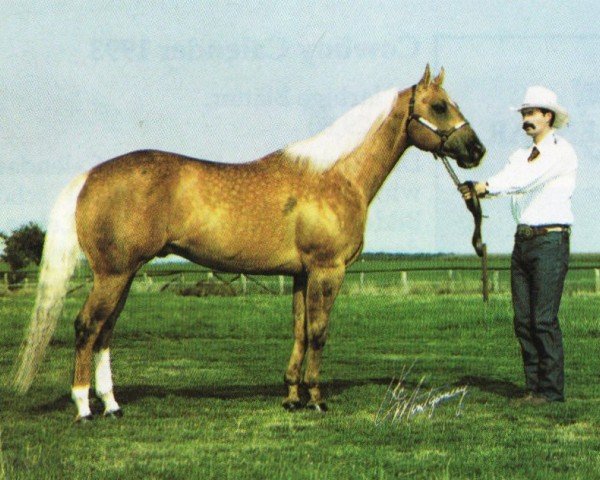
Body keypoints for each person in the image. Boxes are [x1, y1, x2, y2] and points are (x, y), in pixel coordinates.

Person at [460, 85, 577, 404]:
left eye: (531, 113)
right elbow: (509, 178)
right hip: (524, 241)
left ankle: (551, 390)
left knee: (542, 319)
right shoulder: (519, 157)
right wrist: (475, 187)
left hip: (550, 241)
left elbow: (524, 181)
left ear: (548, 116)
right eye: (524, 113)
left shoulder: (560, 152)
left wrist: (484, 187)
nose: (526, 119)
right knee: (523, 321)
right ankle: (534, 387)